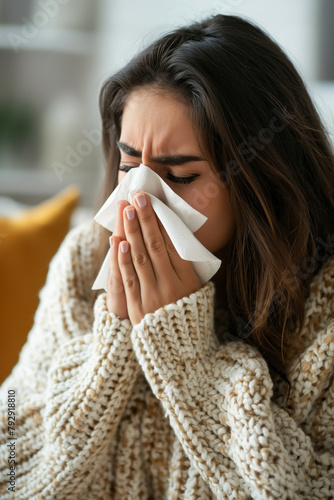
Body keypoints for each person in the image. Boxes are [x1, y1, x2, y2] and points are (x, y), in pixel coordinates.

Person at [1, 13, 334, 499]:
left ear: (263, 181)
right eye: (130, 165)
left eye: (179, 177)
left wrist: (185, 354)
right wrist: (110, 342)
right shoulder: (84, 261)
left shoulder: (322, 306)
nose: (140, 201)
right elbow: (10, 460)